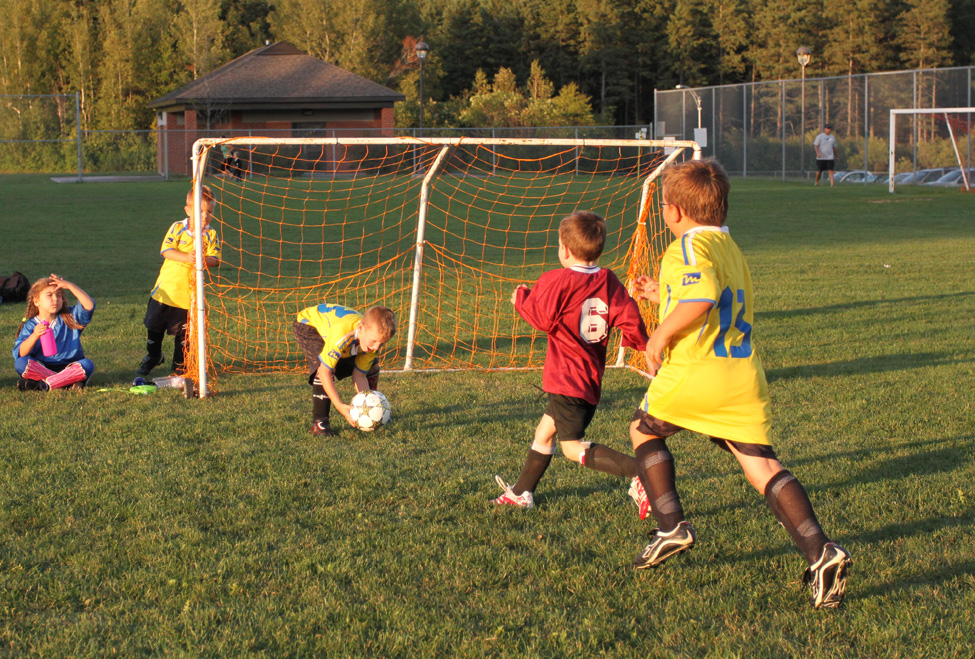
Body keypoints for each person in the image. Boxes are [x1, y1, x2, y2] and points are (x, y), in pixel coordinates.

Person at [627, 158, 851, 609]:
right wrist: (662, 294)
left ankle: (672, 526)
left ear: (672, 212)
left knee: (642, 430)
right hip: (742, 375)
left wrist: (659, 334)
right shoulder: (729, 248)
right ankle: (821, 551)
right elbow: (710, 293)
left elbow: (703, 296)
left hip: (697, 370)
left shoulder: (686, 248)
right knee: (761, 467)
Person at [492, 210, 652, 516]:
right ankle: (522, 493)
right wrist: (644, 346)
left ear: (564, 250)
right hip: (588, 378)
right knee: (544, 433)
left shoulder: (558, 280)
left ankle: (641, 473)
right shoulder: (609, 280)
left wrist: (521, 299)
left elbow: (540, 318)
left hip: (567, 378)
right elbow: (629, 316)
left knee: (571, 447)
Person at [137, 185, 222, 377]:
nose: (205, 216)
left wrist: (202, 259)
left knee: (183, 336)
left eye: (210, 211)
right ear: (188, 210)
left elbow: (215, 260)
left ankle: (179, 367)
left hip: (188, 296)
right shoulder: (177, 228)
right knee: (154, 328)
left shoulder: (211, 235)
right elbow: (166, 251)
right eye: (200, 211)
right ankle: (153, 356)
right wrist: (187, 257)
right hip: (164, 291)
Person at [293, 303, 397, 437]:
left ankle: (377, 408)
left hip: (336, 333)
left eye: (382, 343)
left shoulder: (370, 338)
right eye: (374, 341)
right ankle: (319, 423)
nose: (377, 347)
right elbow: (325, 372)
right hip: (308, 325)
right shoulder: (342, 334)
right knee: (324, 369)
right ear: (361, 328)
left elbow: (359, 375)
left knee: (372, 367)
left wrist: (369, 409)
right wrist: (339, 405)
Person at [13, 275, 95, 391]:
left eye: (59, 295)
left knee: (87, 364)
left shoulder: (69, 317)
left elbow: (89, 305)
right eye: (49, 295)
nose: (55, 299)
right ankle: (65, 382)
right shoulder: (31, 325)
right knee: (20, 363)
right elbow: (21, 353)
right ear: (36, 301)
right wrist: (34, 336)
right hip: (42, 367)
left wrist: (70, 286)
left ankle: (44, 385)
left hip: (68, 366)